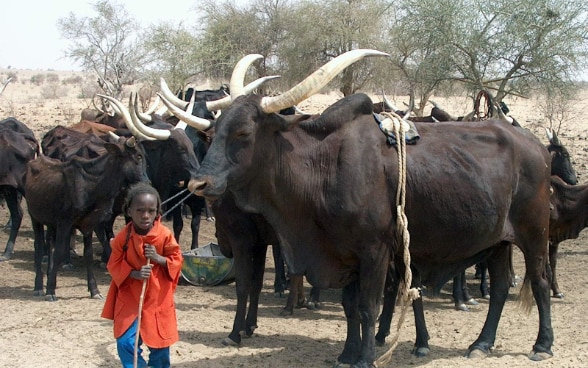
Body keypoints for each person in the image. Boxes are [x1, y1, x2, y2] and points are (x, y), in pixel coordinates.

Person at [101, 182, 183, 368]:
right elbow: (113, 263)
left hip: (157, 298)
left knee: (160, 346)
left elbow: (177, 260)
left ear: (157, 212)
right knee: (125, 342)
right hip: (131, 298)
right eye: (139, 210)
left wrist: (158, 258)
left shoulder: (164, 235)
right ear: (129, 211)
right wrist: (134, 273)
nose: (145, 215)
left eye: (150, 211)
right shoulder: (123, 236)